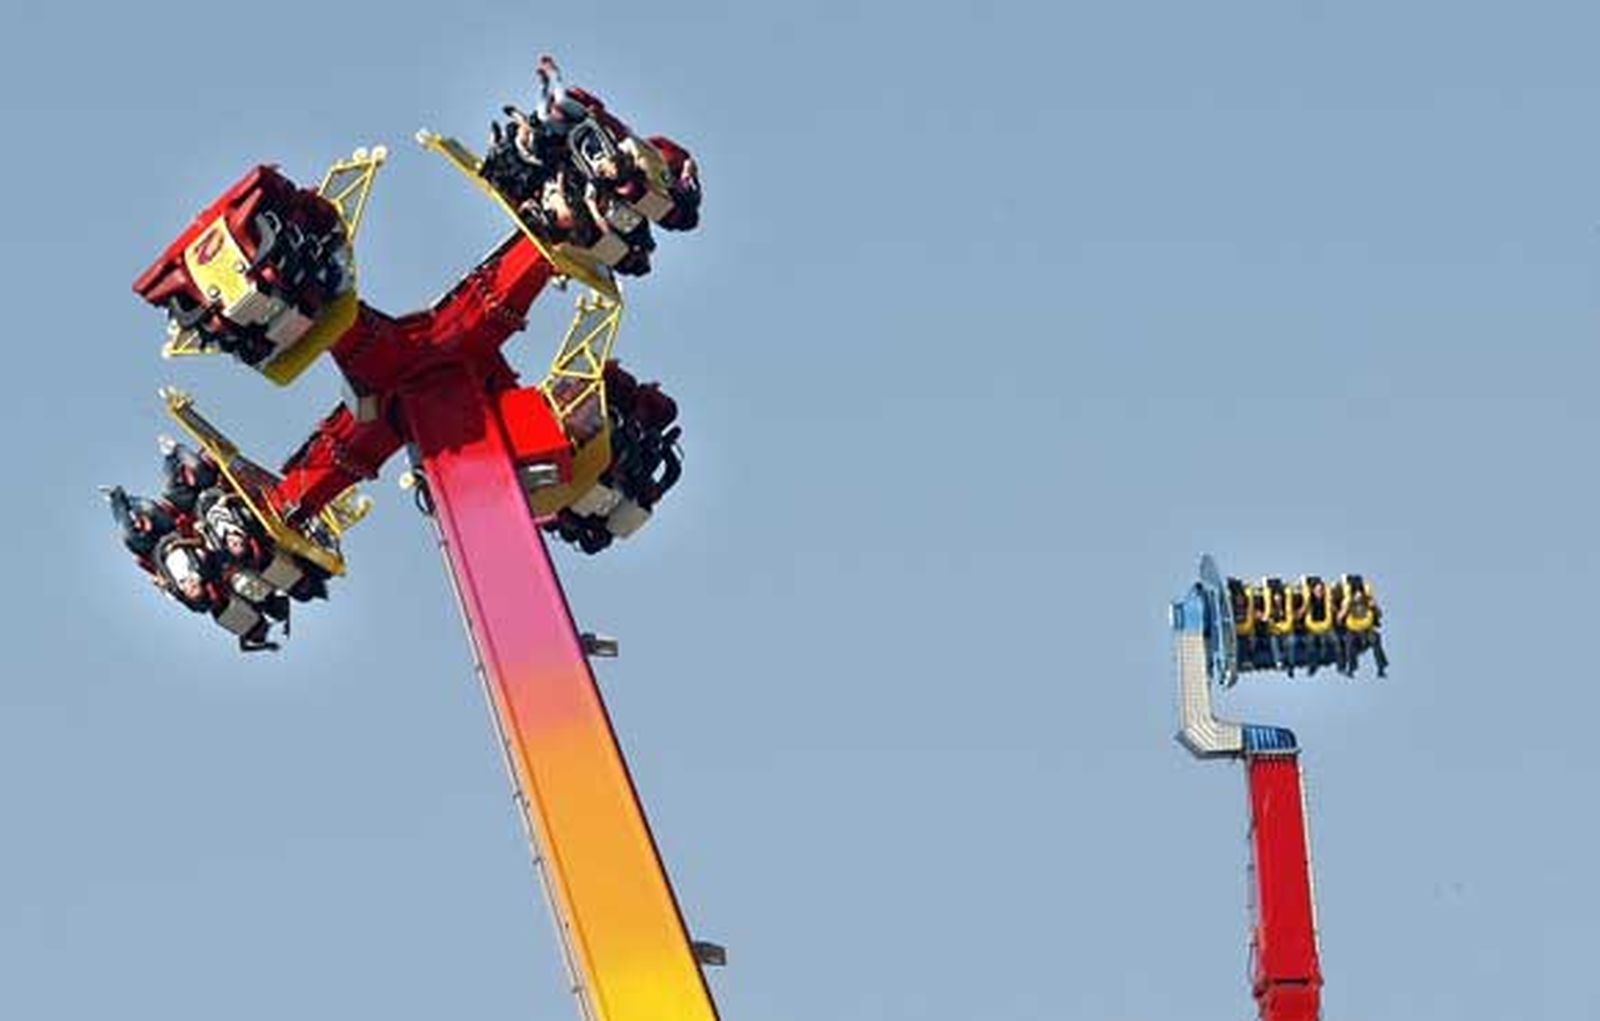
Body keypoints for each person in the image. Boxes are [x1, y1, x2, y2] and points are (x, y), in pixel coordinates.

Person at [1300, 576, 1336, 675]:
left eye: (1321, 590)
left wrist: (1333, 605)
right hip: (1312, 628)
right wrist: (1305, 606)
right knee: (1310, 642)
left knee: (1332, 640)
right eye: (1318, 590)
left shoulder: (1327, 600)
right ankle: (1312, 665)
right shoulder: (1309, 600)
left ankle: (1330, 660)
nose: (1320, 592)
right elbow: (1300, 614)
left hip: (1325, 627)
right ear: (1313, 590)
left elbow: (1335, 611)